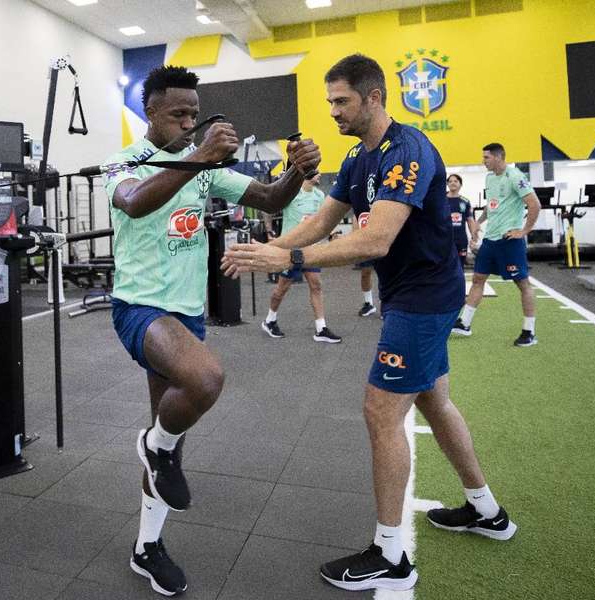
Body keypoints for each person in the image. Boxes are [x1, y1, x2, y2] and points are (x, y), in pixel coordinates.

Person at [222, 54, 517, 593]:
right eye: (330, 101)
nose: (332, 111)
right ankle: (487, 511)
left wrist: (286, 262)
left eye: (342, 101)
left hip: (425, 296)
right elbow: (321, 220)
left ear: (375, 97)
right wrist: (269, 247)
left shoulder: (408, 151)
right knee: (433, 399)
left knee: (380, 412)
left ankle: (391, 557)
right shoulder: (359, 158)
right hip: (408, 292)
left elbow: (375, 239)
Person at [102, 65, 320, 597]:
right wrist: (197, 155)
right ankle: (155, 446)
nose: (189, 122)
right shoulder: (124, 160)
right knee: (205, 380)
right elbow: (134, 201)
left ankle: (146, 545)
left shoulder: (205, 168)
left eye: (195, 115)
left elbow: (270, 199)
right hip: (140, 306)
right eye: (179, 114)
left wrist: (295, 170)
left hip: (186, 311)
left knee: (168, 436)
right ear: (150, 112)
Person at [453, 143, 540, 347]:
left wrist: (524, 231)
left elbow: (534, 204)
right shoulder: (490, 177)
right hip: (490, 240)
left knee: (523, 284)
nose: (483, 161)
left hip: (509, 241)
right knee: (478, 278)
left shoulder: (515, 176)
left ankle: (529, 331)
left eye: (486, 158)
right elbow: (491, 206)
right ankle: (464, 323)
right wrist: (478, 224)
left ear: (498, 157)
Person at [261, 173, 341, 342]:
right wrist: (269, 232)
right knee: (282, 289)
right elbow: (266, 208)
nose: (319, 174)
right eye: (316, 171)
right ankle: (270, 320)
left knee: (316, 285)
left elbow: (323, 220)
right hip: (290, 251)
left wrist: (333, 233)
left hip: (310, 250)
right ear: (307, 175)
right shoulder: (291, 194)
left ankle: (321, 328)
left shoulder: (319, 195)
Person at [446, 173, 479, 266]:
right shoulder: (441, 200)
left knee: (459, 266)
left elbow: (470, 220)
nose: (453, 183)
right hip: (444, 239)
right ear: (447, 184)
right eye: (450, 181)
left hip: (460, 240)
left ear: (460, 184)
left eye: (455, 181)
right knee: (444, 266)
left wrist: (474, 237)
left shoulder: (465, 201)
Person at [354, 212, 378, 316]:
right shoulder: (357, 196)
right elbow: (355, 216)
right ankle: (368, 304)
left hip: (381, 237)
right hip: (365, 241)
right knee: (365, 272)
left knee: (386, 272)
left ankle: (386, 303)